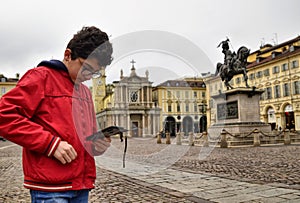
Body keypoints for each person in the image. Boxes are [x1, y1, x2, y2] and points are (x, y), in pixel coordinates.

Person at [0, 26, 113, 202]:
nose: (90, 76)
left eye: (95, 72)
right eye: (86, 67)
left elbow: (85, 142)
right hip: (51, 189)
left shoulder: (85, 92)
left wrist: (96, 144)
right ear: (68, 55)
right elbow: (4, 116)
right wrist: (50, 144)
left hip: (81, 186)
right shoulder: (40, 77)